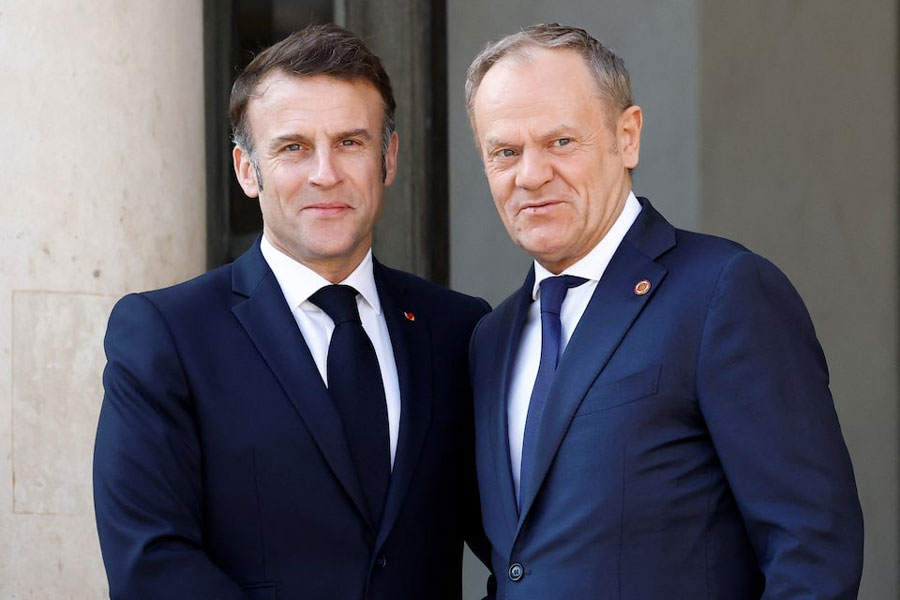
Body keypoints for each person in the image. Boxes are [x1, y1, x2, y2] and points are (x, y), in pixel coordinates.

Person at [465, 23, 863, 599]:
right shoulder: (491, 338)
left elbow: (812, 549)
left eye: (560, 142)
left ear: (627, 137)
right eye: (505, 151)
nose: (530, 175)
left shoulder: (723, 293)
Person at [94, 24, 490, 600]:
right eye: (293, 147)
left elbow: (521, 538)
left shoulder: (458, 330)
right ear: (247, 170)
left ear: (389, 158)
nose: (324, 173)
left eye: (351, 142)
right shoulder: (166, 336)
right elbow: (149, 565)